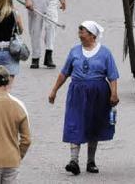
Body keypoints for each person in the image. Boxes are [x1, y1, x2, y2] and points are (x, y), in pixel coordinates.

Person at [48, 21, 119, 175]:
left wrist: (114, 93)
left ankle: (91, 161)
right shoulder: (74, 52)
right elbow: (64, 73)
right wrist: (54, 90)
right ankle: (73, 160)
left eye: (83, 31)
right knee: (75, 121)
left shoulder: (105, 53)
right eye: (79, 31)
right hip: (77, 93)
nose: (80, 34)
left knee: (94, 124)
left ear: (92, 35)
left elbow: (112, 76)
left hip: (98, 94)